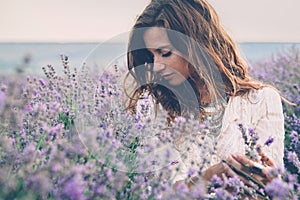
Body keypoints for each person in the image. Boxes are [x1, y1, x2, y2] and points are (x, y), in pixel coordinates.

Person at [126, 0, 285, 193]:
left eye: (164, 53)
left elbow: (271, 187)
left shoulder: (262, 101)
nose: (157, 66)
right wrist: (209, 177)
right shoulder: (154, 106)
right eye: (151, 57)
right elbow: (160, 189)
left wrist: (263, 180)